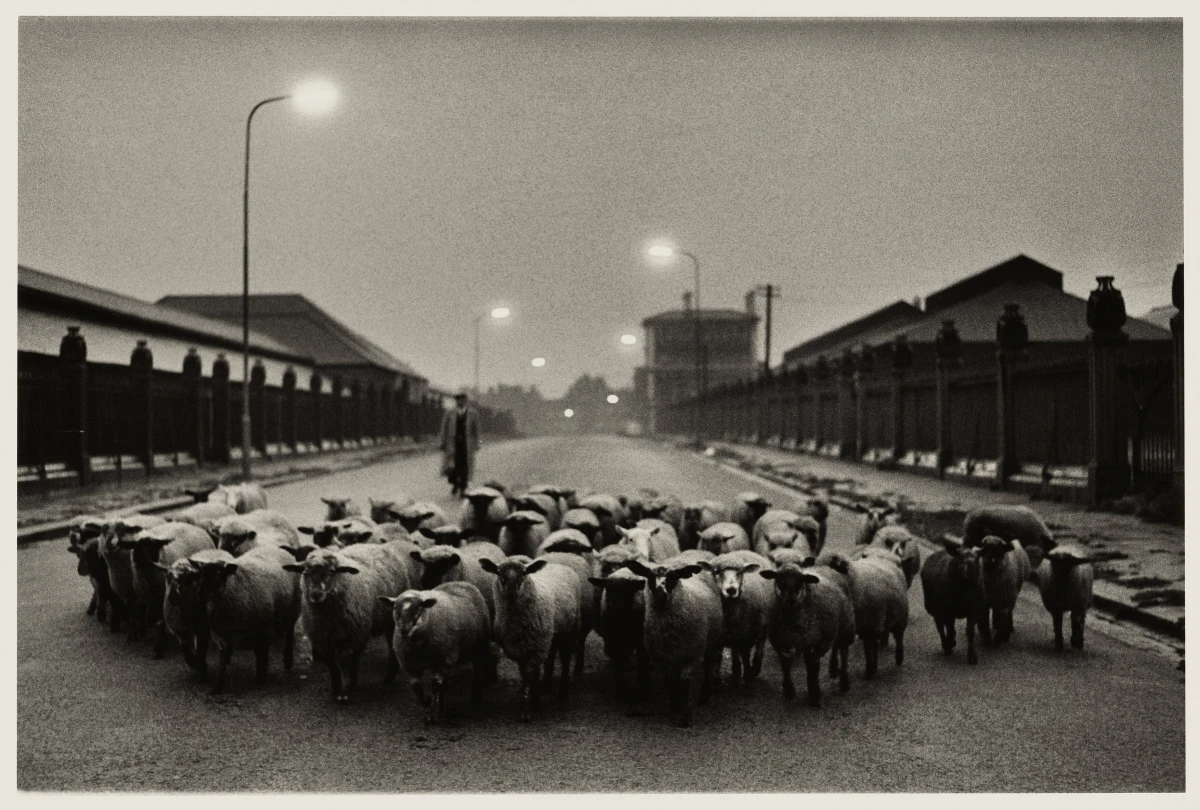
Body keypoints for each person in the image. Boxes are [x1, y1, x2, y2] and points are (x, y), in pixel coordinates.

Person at [440, 391, 480, 497]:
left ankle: (463, 488)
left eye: (462, 399)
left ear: (466, 400)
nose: (460, 401)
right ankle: (455, 483)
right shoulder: (449, 412)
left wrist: (477, 444)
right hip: (452, 444)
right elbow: (444, 428)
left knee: (465, 467)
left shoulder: (473, 413)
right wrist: (442, 442)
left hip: (467, 445)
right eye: (458, 399)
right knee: (452, 467)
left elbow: (476, 431)